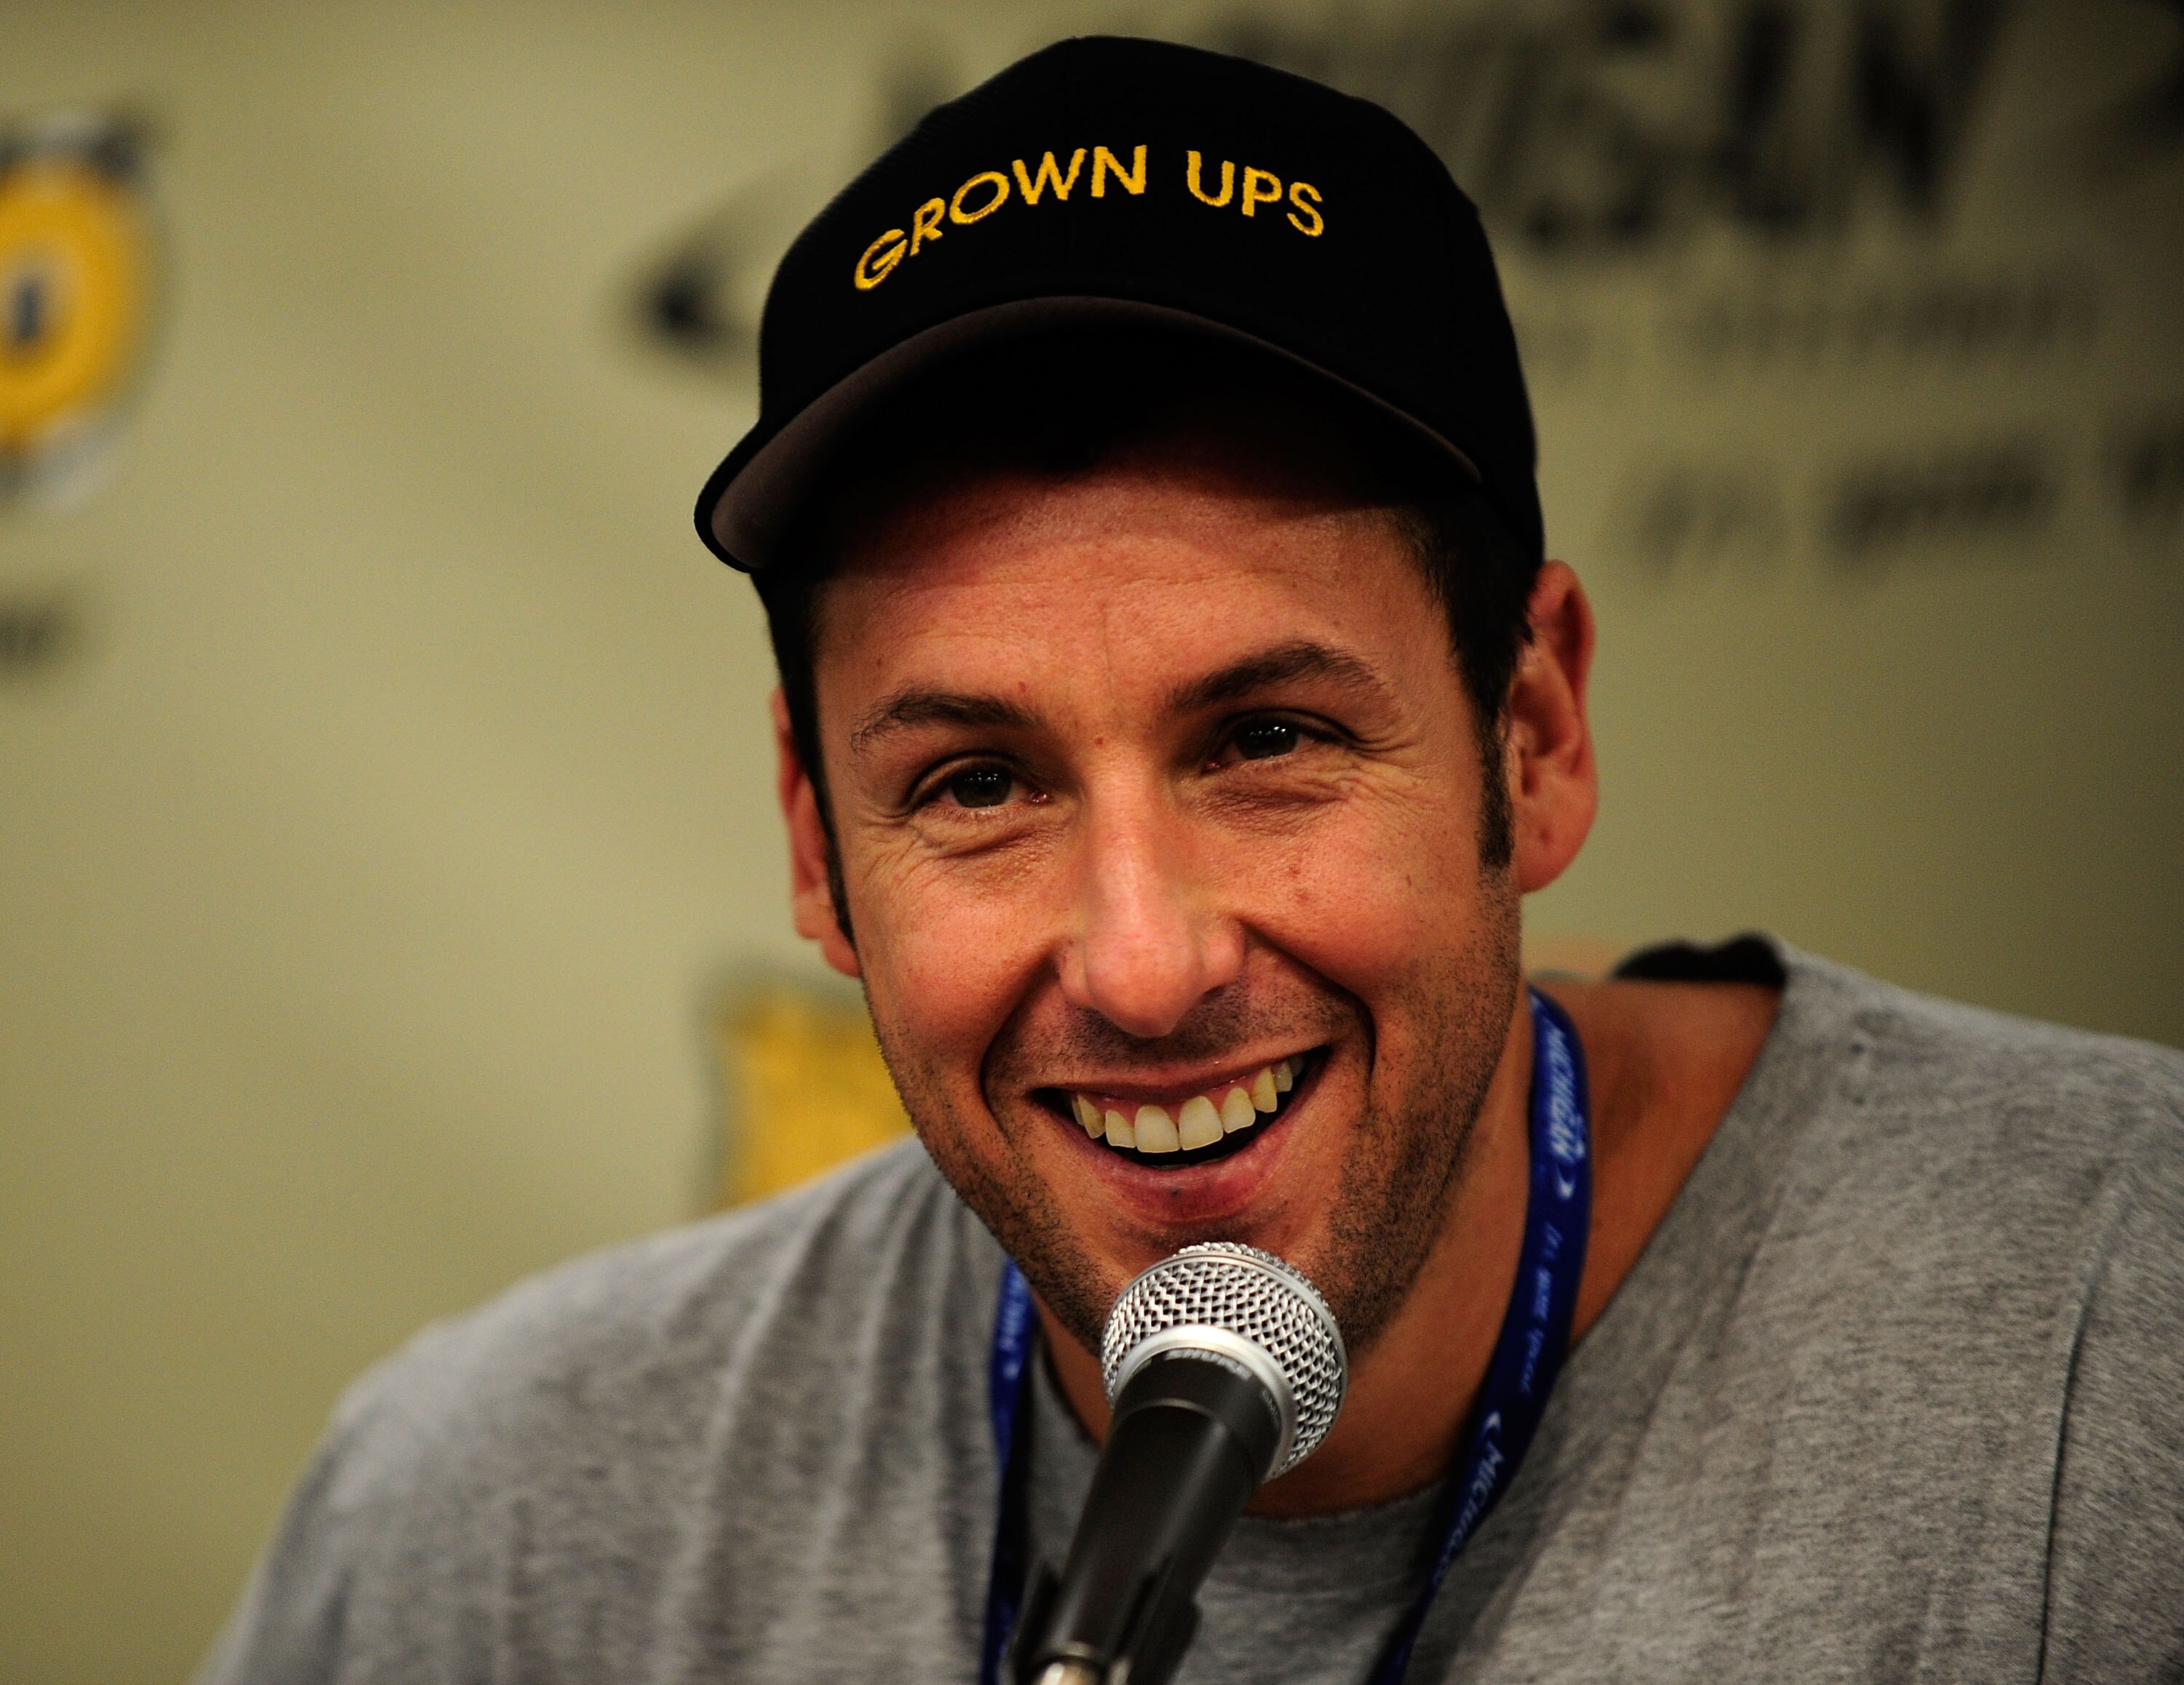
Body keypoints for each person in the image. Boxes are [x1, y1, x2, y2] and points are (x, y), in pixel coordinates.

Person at [199, 36, 2184, 1685]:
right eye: (977, 783)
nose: (1143, 967)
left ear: (1535, 736)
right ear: (817, 849)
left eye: (1269, 740)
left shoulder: (2120, 1343)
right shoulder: (497, 1525)